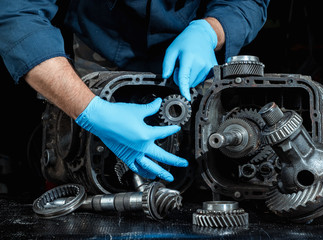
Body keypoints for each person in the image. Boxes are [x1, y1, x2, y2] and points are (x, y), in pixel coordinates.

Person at [0, 0, 269, 183]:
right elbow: (15, 13)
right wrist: (88, 109)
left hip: (191, 53)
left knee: (205, 172)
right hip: (99, 47)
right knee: (87, 166)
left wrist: (212, 30)